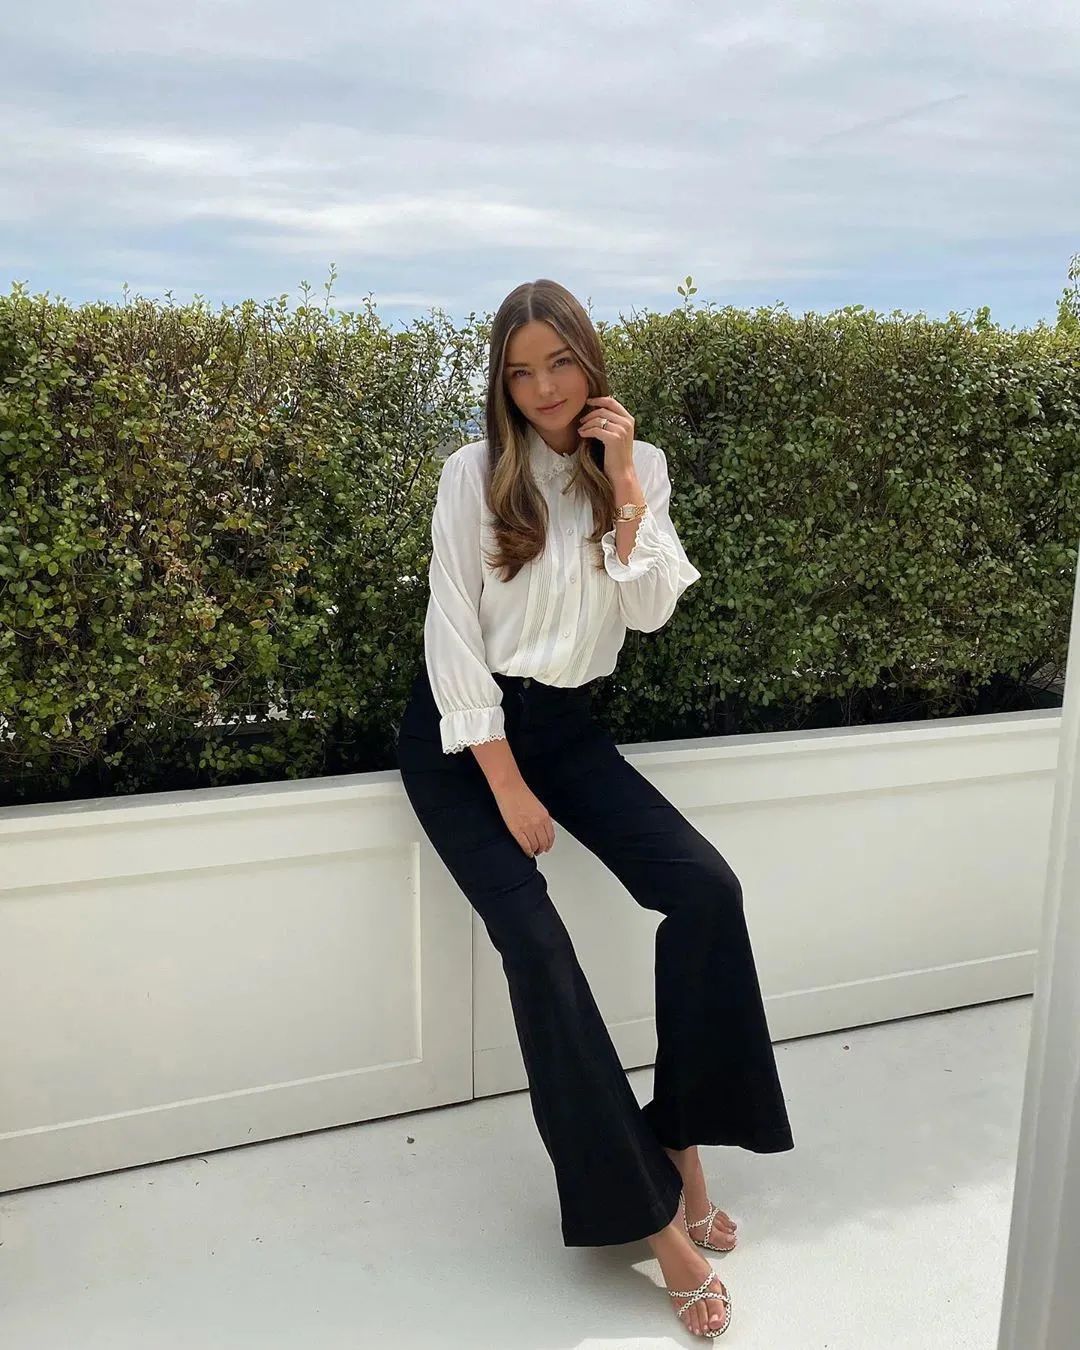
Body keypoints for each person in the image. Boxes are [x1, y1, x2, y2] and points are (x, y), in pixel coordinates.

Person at [394, 278, 794, 1339]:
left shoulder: (638, 465)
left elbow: (650, 610)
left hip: (568, 731)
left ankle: (679, 1141)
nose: (542, 388)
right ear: (501, 380)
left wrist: (621, 485)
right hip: (464, 743)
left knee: (705, 891)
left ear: (588, 359)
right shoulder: (474, 473)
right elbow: (450, 631)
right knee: (540, 951)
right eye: (521, 371)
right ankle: (657, 1226)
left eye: (559, 363)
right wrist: (505, 782)